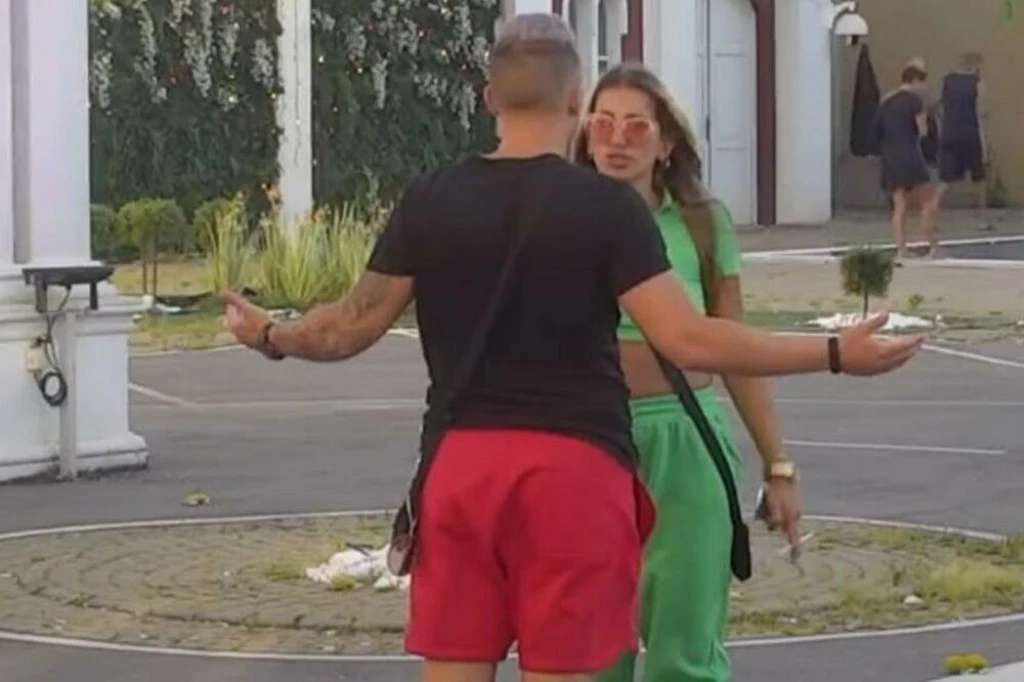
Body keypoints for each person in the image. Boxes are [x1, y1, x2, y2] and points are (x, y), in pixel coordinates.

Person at [220, 14, 922, 682]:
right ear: (576, 99)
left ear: (490, 98)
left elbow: (348, 325)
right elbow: (688, 337)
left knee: (454, 660)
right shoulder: (607, 209)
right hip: (573, 472)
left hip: (461, 466)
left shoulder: (431, 198)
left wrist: (270, 336)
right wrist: (833, 352)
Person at [573, 63, 799, 682]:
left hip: (685, 435)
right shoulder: (558, 216)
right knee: (589, 653)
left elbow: (735, 348)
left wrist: (778, 467)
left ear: (666, 141)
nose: (617, 140)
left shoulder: (701, 223)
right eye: (603, 124)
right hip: (587, 440)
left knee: (685, 649)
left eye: (636, 126)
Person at [874, 59, 938, 260]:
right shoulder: (915, 101)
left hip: (891, 158)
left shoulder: (886, 101)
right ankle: (933, 247)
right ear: (915, 80)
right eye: (922, 83)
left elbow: (877, 130)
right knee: (926, 202)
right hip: (910, 154)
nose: (923, 88)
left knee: (899, 205)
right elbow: (923, 131)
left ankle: (901, 250)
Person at [936, 52, 990, 230]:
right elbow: (980, 113)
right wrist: (984, 143)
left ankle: (931, 215)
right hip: (969, 133)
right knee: (979, 178)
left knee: (945, 180)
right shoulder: (978, 83)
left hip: (949, 132)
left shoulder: (948, 81)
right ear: (977, 66)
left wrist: (943, 126)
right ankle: (981, 219)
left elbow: (939, 107)